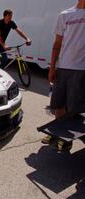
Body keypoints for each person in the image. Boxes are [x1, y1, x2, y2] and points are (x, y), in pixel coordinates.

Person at [42, 0, 85, 151]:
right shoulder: (65, 15)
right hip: (63, 67)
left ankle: (68, 139)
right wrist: (52, 67)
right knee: (58, 104)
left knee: (74, 108)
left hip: (81, 70)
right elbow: (57, 44)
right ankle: (56, 133)